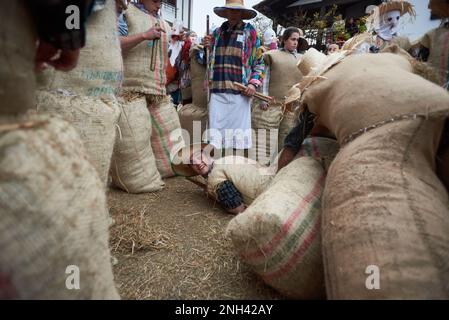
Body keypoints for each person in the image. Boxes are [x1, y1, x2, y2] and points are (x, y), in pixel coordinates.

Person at [203, 0, 265, 153]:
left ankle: (235, 170)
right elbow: (207, 61)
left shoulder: (250, 32)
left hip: (240, 93)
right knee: (215, 139)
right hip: (218, 91)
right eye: (230, 10)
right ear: (225, 12)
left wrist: (252, 84)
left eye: (237, 11)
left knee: (238, 140)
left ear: (242, 13)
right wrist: (206, 48)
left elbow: (259, 62)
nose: (233, 14)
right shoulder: (217, 33)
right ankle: (215, 170)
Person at [173, 144, 275, 214]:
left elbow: (238, 209)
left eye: (199, 157)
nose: (198, 163)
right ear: (192, 169)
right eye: (192, 163)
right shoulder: (228, 158)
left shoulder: (214, 177)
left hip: (270, 197)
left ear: (207, 154)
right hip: (276, 177)